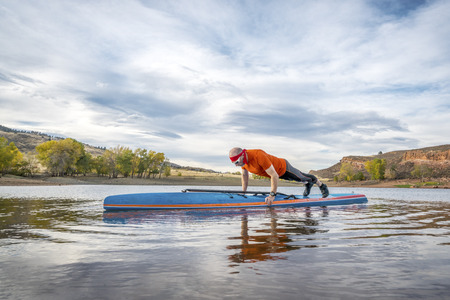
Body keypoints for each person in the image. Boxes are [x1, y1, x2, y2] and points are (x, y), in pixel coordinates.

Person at [229, 147, 329, 205]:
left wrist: (272, 195)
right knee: (301, 179)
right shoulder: (243, 163)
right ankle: (308, 184)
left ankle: (321, 185)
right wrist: (243, 192)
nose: (236, 165)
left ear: (242, 155)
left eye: (237, 162)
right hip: (277, 174)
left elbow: (274, 175)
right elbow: (244, 175)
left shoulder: (257, 155)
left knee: (301, 177)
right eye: (234, 163)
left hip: (283, 167)